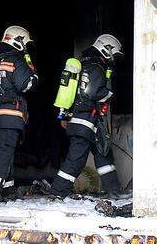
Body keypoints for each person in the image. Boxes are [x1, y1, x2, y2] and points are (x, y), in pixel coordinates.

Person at [49, 34, 123, 199]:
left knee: (103, 154)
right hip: (85, 120)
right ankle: (57, 192)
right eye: (113, 54)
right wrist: (110, 95)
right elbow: (93, 91)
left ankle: (114, 190)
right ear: (107, 49)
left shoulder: (84, 63)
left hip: (86, 120)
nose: (113, 58)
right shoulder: (96, 66)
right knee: (76, 159)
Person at [0, 26, 38, 202]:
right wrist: (33, 74)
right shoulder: (15, 58)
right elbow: (26, 84)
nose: (26, 47)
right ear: (18, 41)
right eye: (25, 44)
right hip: (9, 114)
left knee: (4, 153)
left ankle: (7, 190)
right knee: (4, 155)